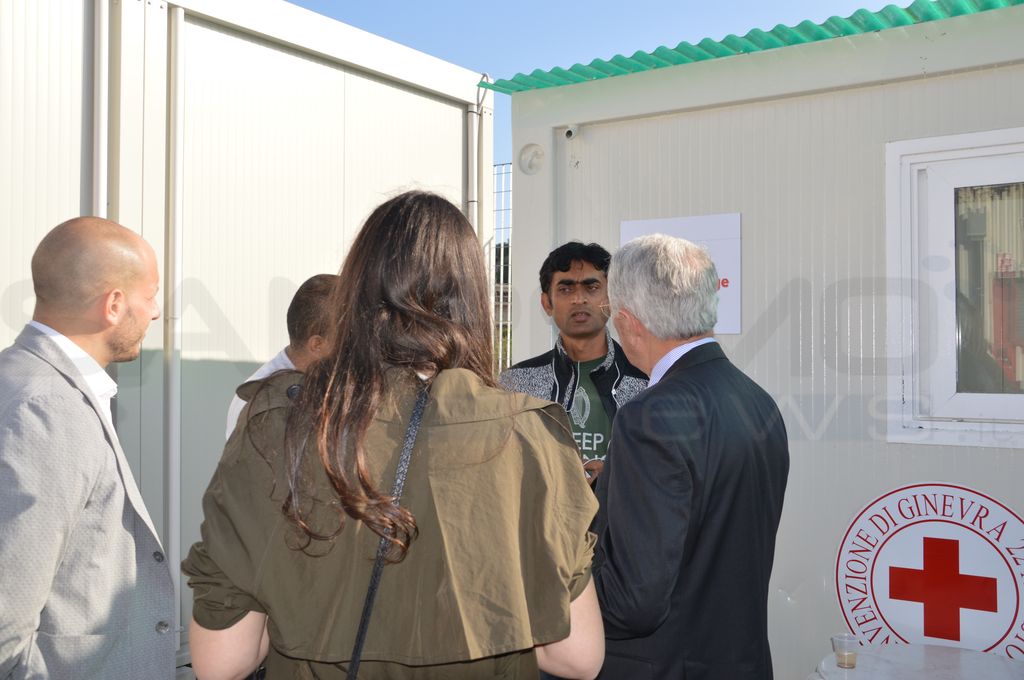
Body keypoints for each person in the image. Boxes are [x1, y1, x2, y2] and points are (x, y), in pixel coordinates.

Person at [183, 191, 605, 680]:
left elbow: (222, 662)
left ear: (356, 289)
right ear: (471, 298)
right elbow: (577, 657)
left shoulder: (278, 421)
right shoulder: (533, 434)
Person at [592, 234, 789, 680]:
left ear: (627, 322)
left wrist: (548, 598)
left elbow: (634, 602)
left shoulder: (648, 417)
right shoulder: (759, 402)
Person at [0, 217, 175, 679]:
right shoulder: (47, 408)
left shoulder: (19, 379)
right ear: (114, 305)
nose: (156, 312)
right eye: (150, 296)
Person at [499, 242, 646, 483]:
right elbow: (503, 467)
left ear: (612, 298)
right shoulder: (515, 384)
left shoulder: (646, 381)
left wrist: (616, 476)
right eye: (566, 289)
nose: (579, 299)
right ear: (547, 303)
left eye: (592, 287)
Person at [224, 273, 337, 438]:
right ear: (317, 345)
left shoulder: (327, 384)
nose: (358, 346)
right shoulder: (258, 405)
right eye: (348, 336)